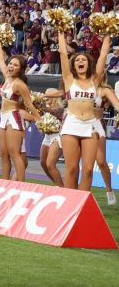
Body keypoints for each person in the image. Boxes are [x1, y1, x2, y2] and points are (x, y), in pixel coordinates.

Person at [57, 28, 108, 191]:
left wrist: (108, 33)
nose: (80, 61)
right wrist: (60, 30)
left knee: (88, 170)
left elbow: (103, 55)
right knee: (71, 169)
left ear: (88, 64)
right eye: (77, 59)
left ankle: (82, 202)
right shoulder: (68, 79)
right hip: (71, 123)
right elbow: (63, 54)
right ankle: (70, 200)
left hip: (90, 125)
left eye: (84, 60)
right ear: (73, 64)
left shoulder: (95, 80)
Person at [0, 41, 40, 182]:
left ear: (21, 69)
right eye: (10, 64)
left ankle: (20, 185)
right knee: (3, 154)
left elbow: (29, 104)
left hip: (14, 118)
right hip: (3, 117)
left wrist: (39, 119)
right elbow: (0, 59)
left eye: (15, 65)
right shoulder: (7, 77)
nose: (10, 66)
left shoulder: (20, 85)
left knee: (15, 154)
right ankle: (4, 183)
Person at [38, 89, 65, 187]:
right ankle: (58, 184)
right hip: (47, 136)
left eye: (48, 95)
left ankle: (61, 188)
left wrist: (43, 107)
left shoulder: (60, 108)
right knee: (43, 163)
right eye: (45, 94)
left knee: (50, 164)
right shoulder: (45, 108)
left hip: (57, 136)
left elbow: (54, 112)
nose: (46, 97)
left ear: (54, 97)